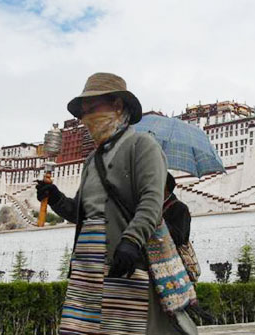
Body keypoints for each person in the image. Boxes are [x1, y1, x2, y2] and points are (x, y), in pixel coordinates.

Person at [36, 72, 197, 335]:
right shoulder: (91, 161)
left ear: (118, 106)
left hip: (124, 258)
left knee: (122, 327)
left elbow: (151, 201)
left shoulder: (142, 145)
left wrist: (131, 241)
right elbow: (81, 213)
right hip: (88, 263)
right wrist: (54, 198)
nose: (87, 116)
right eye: (83, 111)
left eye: (93, 107)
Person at [163, 173, 191, 248]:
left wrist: (159, 220)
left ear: (165, 186)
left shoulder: (181, 209)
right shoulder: (152, 206)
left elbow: (179, 239)